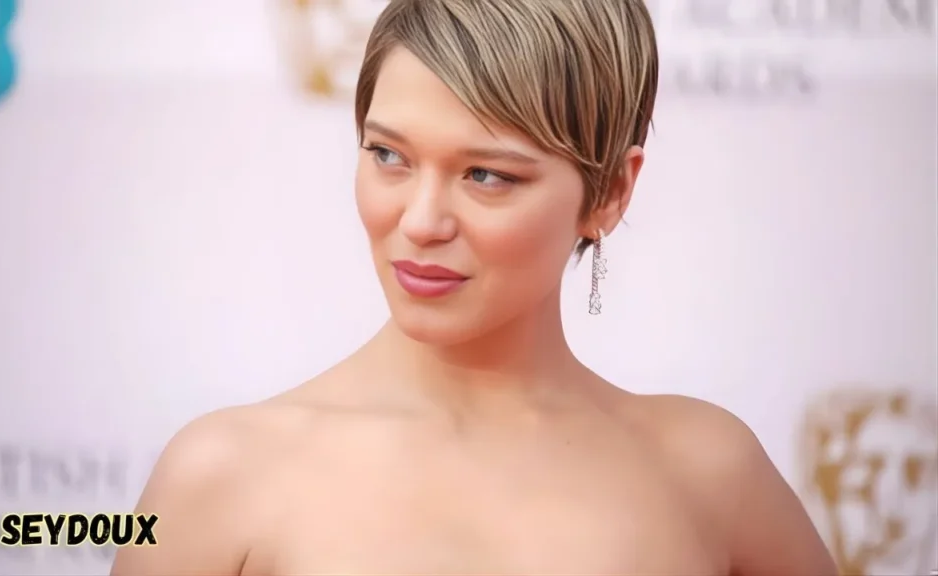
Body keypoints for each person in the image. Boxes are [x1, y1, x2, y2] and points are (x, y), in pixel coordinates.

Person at [112, 0, 838, 574]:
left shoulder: (710, 472)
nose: (420, 221)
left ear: (611, 192)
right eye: (388, 155)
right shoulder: (222, 476)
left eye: (485, 175)